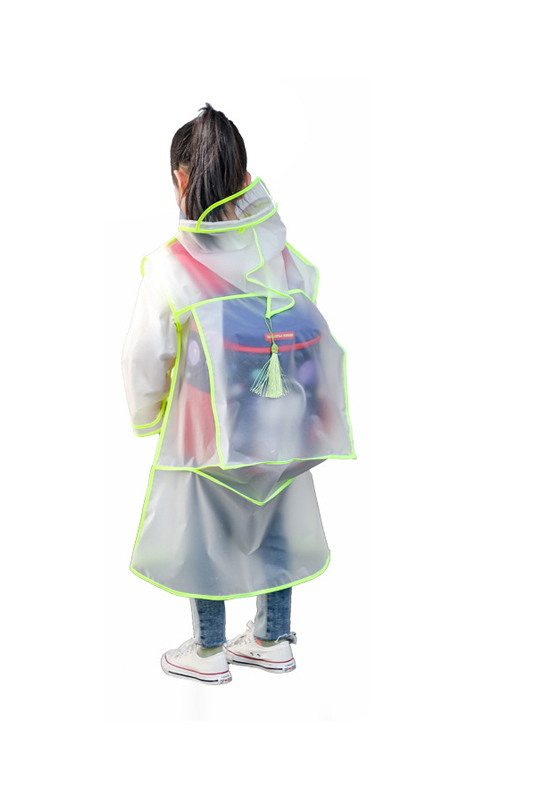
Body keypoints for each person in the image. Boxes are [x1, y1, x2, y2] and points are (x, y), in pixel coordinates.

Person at [122, 103, 355, 685]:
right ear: (246, 178)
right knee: (275, 518)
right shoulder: (280, 253)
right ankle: (273, 638)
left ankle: (208, 651)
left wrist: (149, 415)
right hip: (281, 418)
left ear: (181, 180)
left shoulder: (171, 266)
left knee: (206, 532)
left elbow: (144, 356)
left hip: (205, 431)